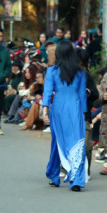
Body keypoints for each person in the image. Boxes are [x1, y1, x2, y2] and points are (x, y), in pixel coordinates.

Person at [41, 40, 88, 192]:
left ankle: (54, 176)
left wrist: (44, 111)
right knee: (77, 143)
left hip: (59, 109)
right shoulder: (80, 72)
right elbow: (82, 96)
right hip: (75, 108)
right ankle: (77, 179)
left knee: (58, 142)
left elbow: (48, 92)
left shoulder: (52, 71)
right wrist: (84, 114)